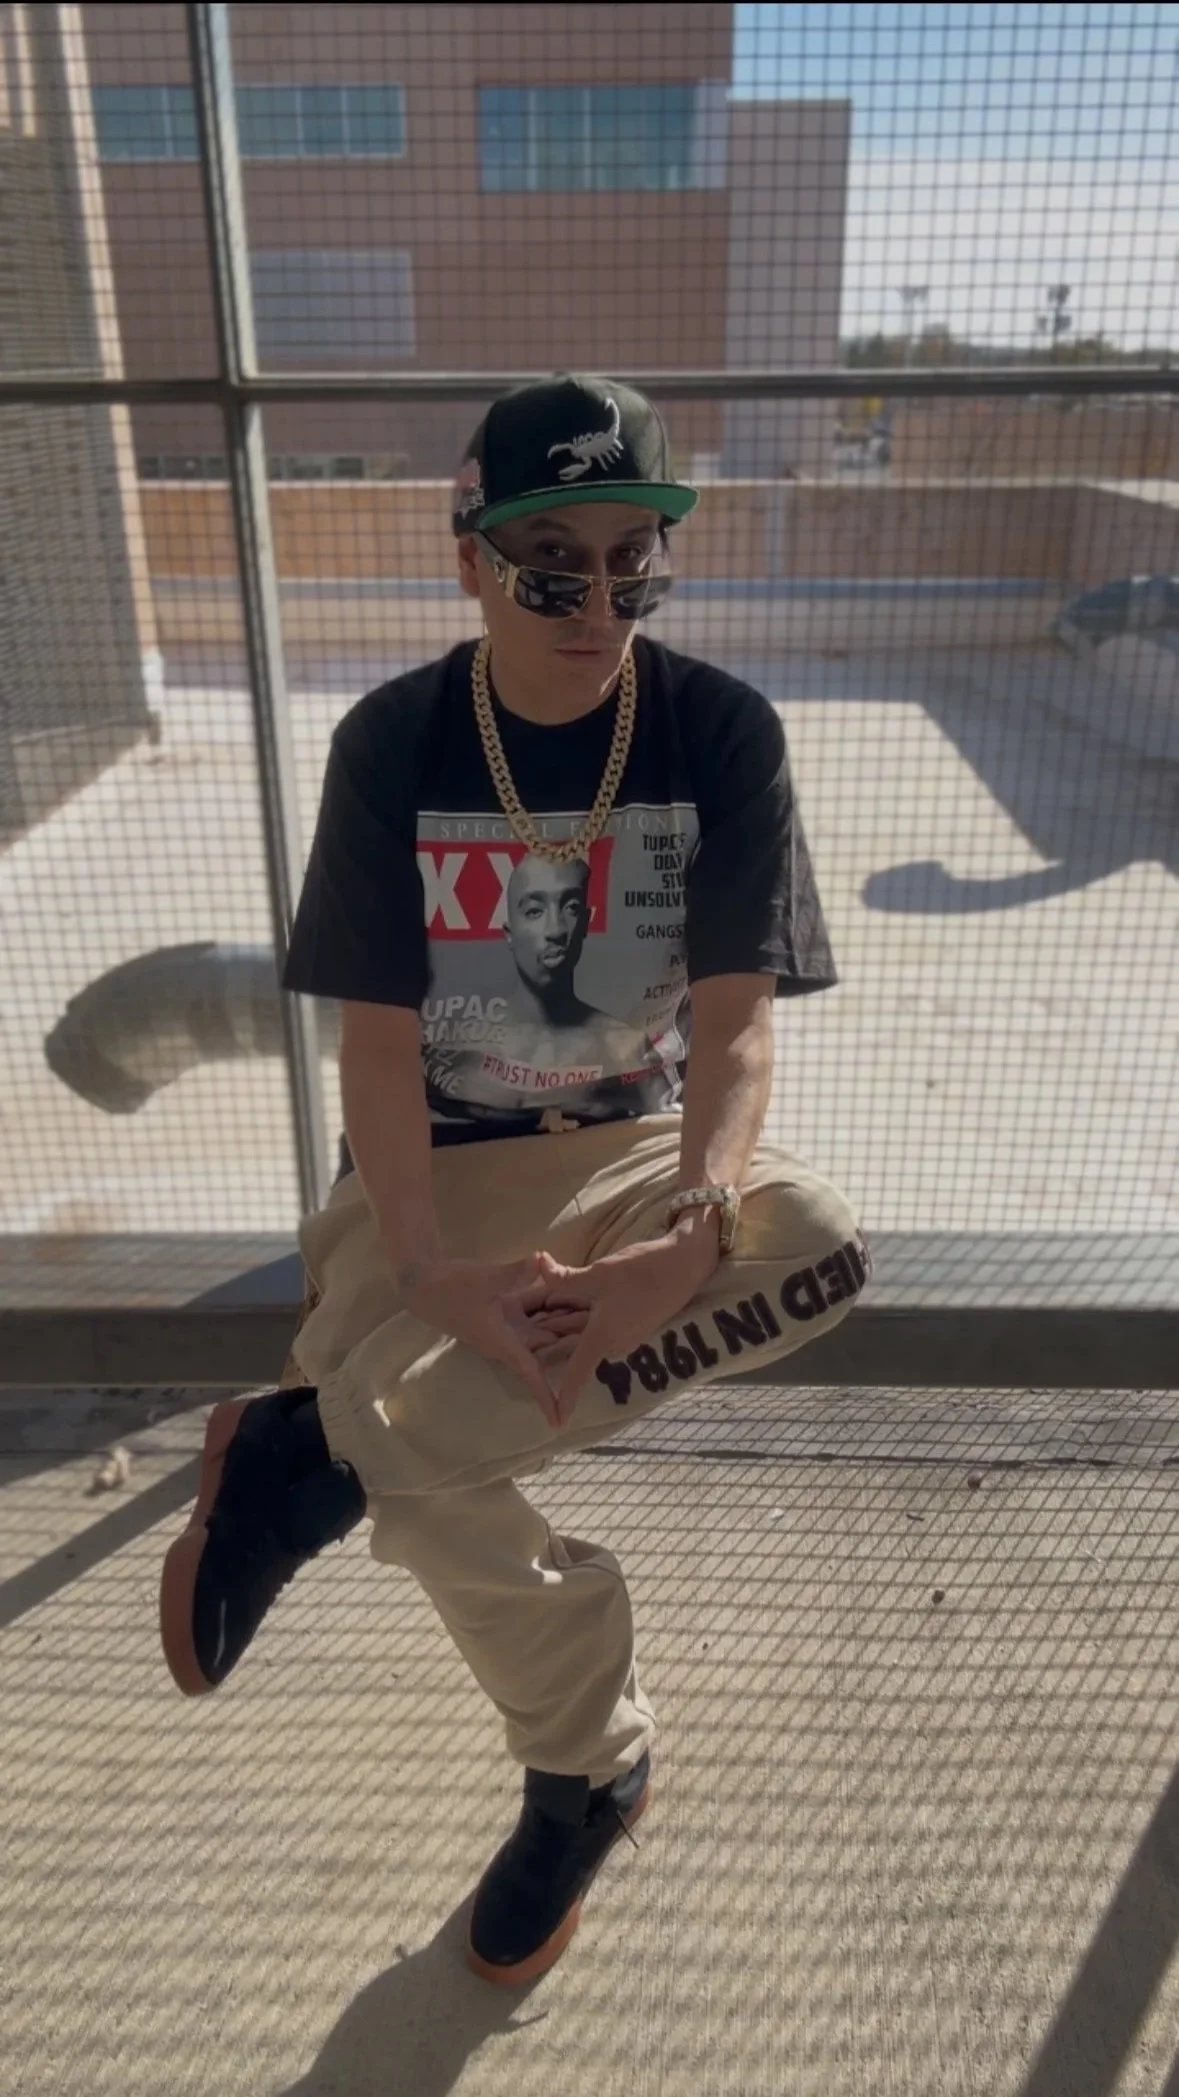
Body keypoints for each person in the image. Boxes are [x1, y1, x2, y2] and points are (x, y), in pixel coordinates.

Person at [159, 374, 871, 1987]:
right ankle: (586, 1770)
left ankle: (313, 1456)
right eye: (554, 565)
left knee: (817, 1245)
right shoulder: (396, 741)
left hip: (626, 1156)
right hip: (430, 1166)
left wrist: (685, 1236)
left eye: (634, 564)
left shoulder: (719, 731)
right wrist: (426, 1272)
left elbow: (734, 1035)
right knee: (443, 1478)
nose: (598, 606)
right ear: (470, 559)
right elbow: (374, 1049)